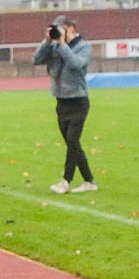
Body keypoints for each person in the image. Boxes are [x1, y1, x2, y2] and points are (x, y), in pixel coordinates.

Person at [34, 15, 95, 193]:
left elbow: (77, 64)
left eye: (61, 28)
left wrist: (62, 44)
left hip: (78, 100)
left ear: (71, 27)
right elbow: (36, 60)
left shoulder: (84, 47)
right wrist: (47, 42)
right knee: (72, 144)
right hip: (61, 101)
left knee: (72, 140)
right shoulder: (52, 46)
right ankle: (89, 181)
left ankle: (66, 181)